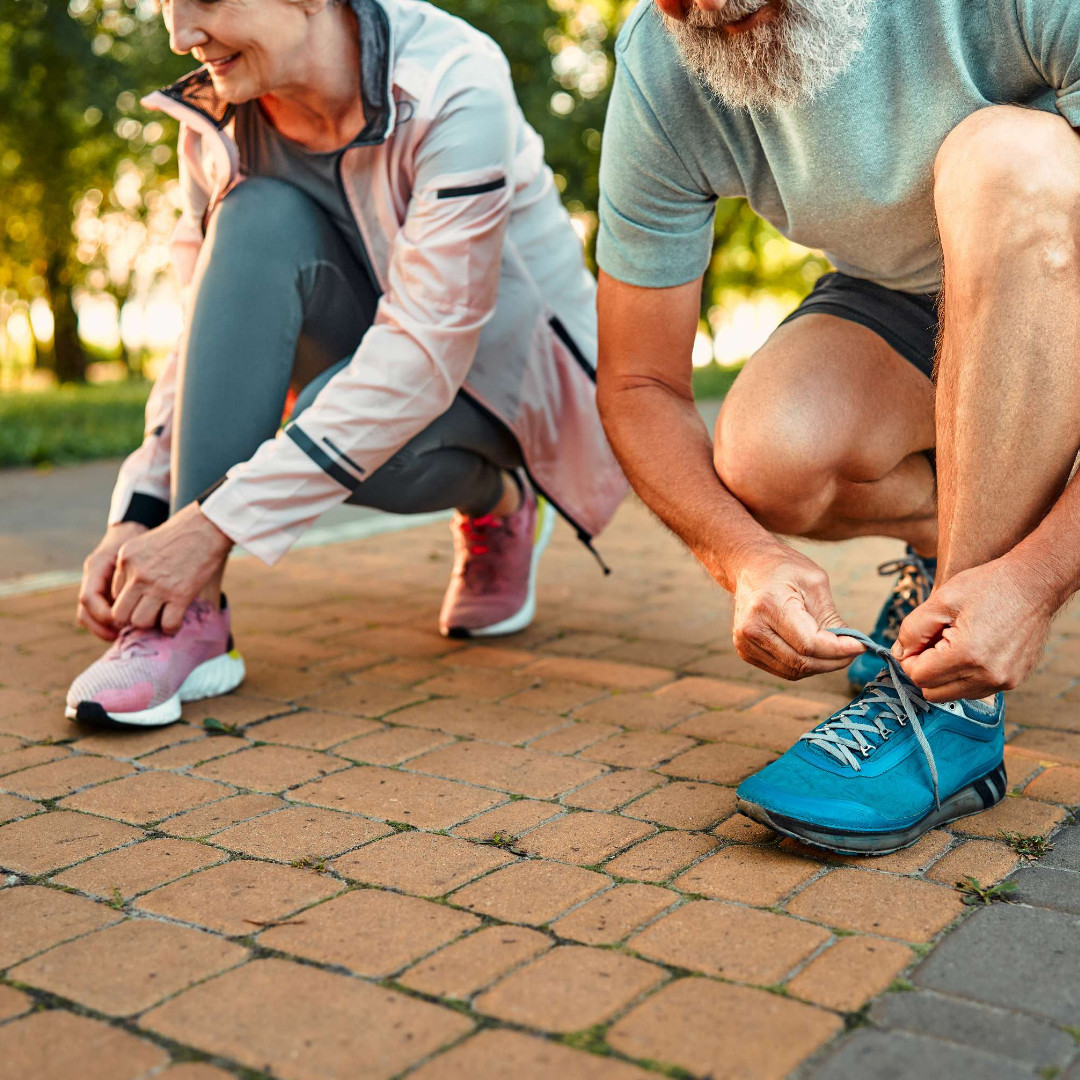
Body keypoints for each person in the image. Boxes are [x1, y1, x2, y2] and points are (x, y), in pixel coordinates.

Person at [595, 0, 1080, 853]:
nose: (697, 5)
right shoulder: (662, 65)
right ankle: (953, 561)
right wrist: (746, 558)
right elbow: (639, 383)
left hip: (1062, 266)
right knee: (768, 455)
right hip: (909, 300)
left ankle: (951, 711)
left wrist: (1035, 581)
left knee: (1008, 157)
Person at [67, 0, 625, 730]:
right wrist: (138, 517)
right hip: (362, 352)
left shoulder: (453, 78)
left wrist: (213, 524)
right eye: (167, 3)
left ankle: (503, 502)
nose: (180, 35)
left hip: (504, 380)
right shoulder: (217, 118)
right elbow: (201, 334)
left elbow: (427, 348)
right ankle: (187, 618)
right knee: (256, 213)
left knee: (354, 442)